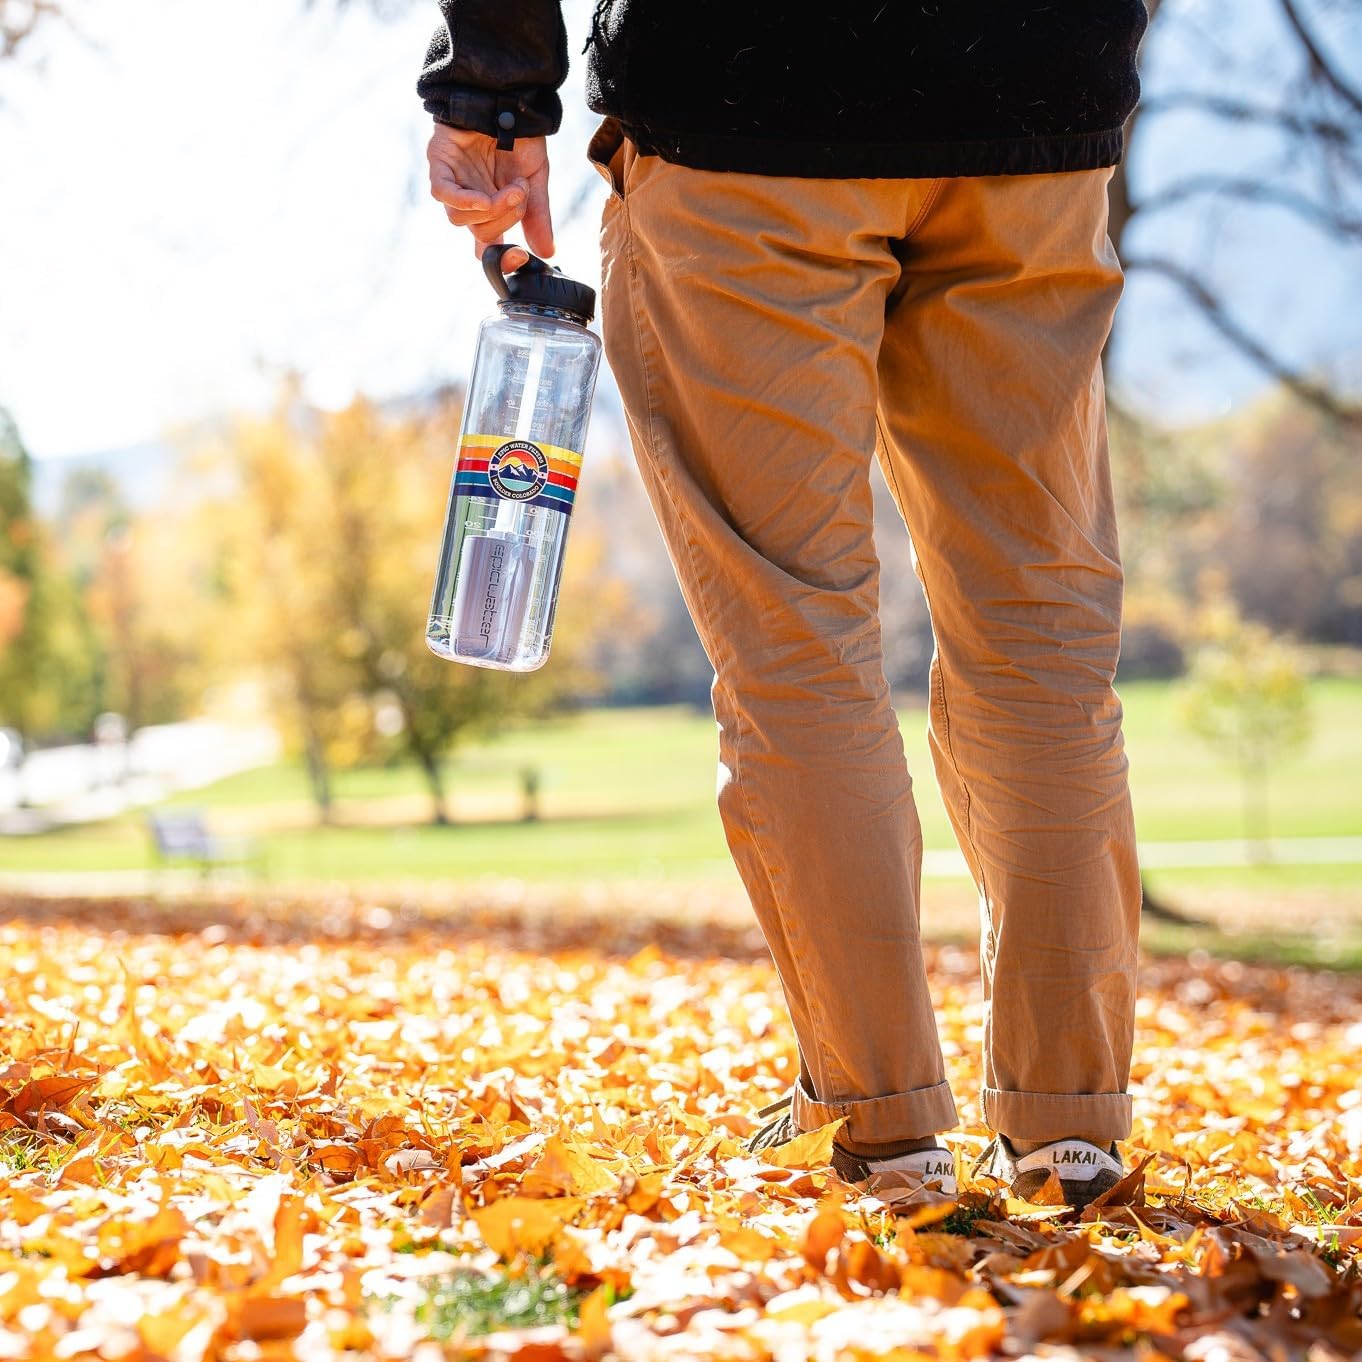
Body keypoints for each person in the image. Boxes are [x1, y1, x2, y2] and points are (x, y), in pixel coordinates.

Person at [419, 1, 1145, 1211]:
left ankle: (884, 1126)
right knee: (1039, 636)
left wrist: (493, 96)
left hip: (744, 106)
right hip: (1034, 106)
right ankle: (1070, 1134)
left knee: (794, 638)